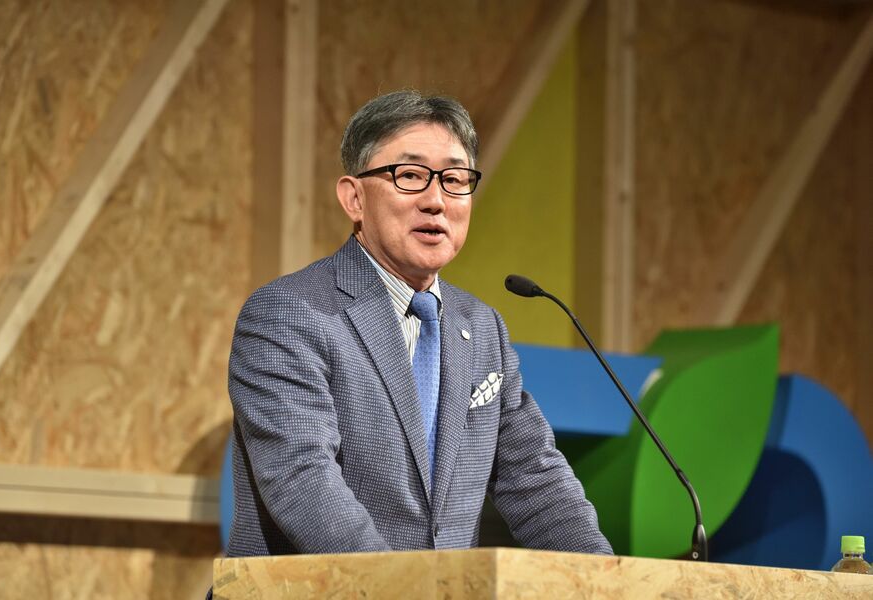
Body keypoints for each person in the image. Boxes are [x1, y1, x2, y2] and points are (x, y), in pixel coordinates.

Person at [225, 90, 612, 557]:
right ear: (353, 198)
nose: (436, 201)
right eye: (410, 176)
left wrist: (604, 580)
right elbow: (302, 481)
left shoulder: (481, 327)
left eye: (454, 179)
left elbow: (536, 480)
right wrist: (408, 588)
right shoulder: (289, 313)